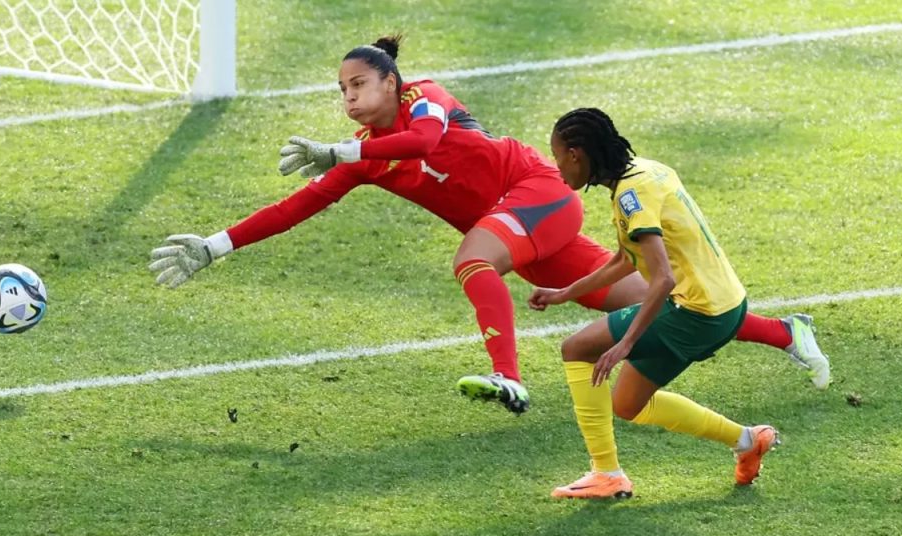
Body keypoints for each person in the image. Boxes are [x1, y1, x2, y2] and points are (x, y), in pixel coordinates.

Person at [148, 36, 828, 417]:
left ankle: (507, 376)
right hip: (524, 235)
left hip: (535, 194)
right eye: (342, 91)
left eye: (359, 85)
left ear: (391, 83)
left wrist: (343, 150)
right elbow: (296, 207)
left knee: (473, 260)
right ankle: (784, 331)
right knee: (663, 304)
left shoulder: (427, 98)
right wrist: (216, 245)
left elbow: (420, 144)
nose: (350, 98)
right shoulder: (363, 161)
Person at [531, 108, 783, 499]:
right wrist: (566, 293)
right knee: (627, 404)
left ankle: (606, 474)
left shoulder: (632, 195)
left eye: (557, 156)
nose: (557, 167)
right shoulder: (648, 170)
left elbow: (662, 278)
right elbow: (625, 259)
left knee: (577, 347)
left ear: (577, 154)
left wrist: (625, 344)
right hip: (726, 305)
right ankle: (748, 440)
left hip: (694, 311)